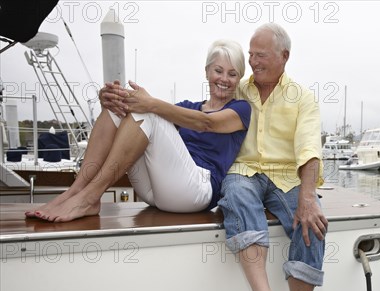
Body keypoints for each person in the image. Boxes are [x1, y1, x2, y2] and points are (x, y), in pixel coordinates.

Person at [26, 40, 250, 222]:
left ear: (239, 78)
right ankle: (76, 191)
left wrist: (149, 103)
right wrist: (109, 101)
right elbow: (153, 121)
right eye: (218, 71)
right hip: (157, 191)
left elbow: (206, 123)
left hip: (197, 191)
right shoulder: (186, 107)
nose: (224, 79)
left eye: (232, 74)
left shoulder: (240, 109)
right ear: (207, 72)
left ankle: (90, 196)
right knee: (120, 108)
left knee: (146, 112)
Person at [218, 23, 327, 291]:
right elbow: (202, 114)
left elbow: (309, 149)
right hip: (245, 170)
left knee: (314, 226)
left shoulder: (303, 97)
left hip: (285, 176)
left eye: (260, 55)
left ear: (284, 57)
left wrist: (308, 198)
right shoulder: (239, 89)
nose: (252, 61)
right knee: (236, 194)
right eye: (250, 54)